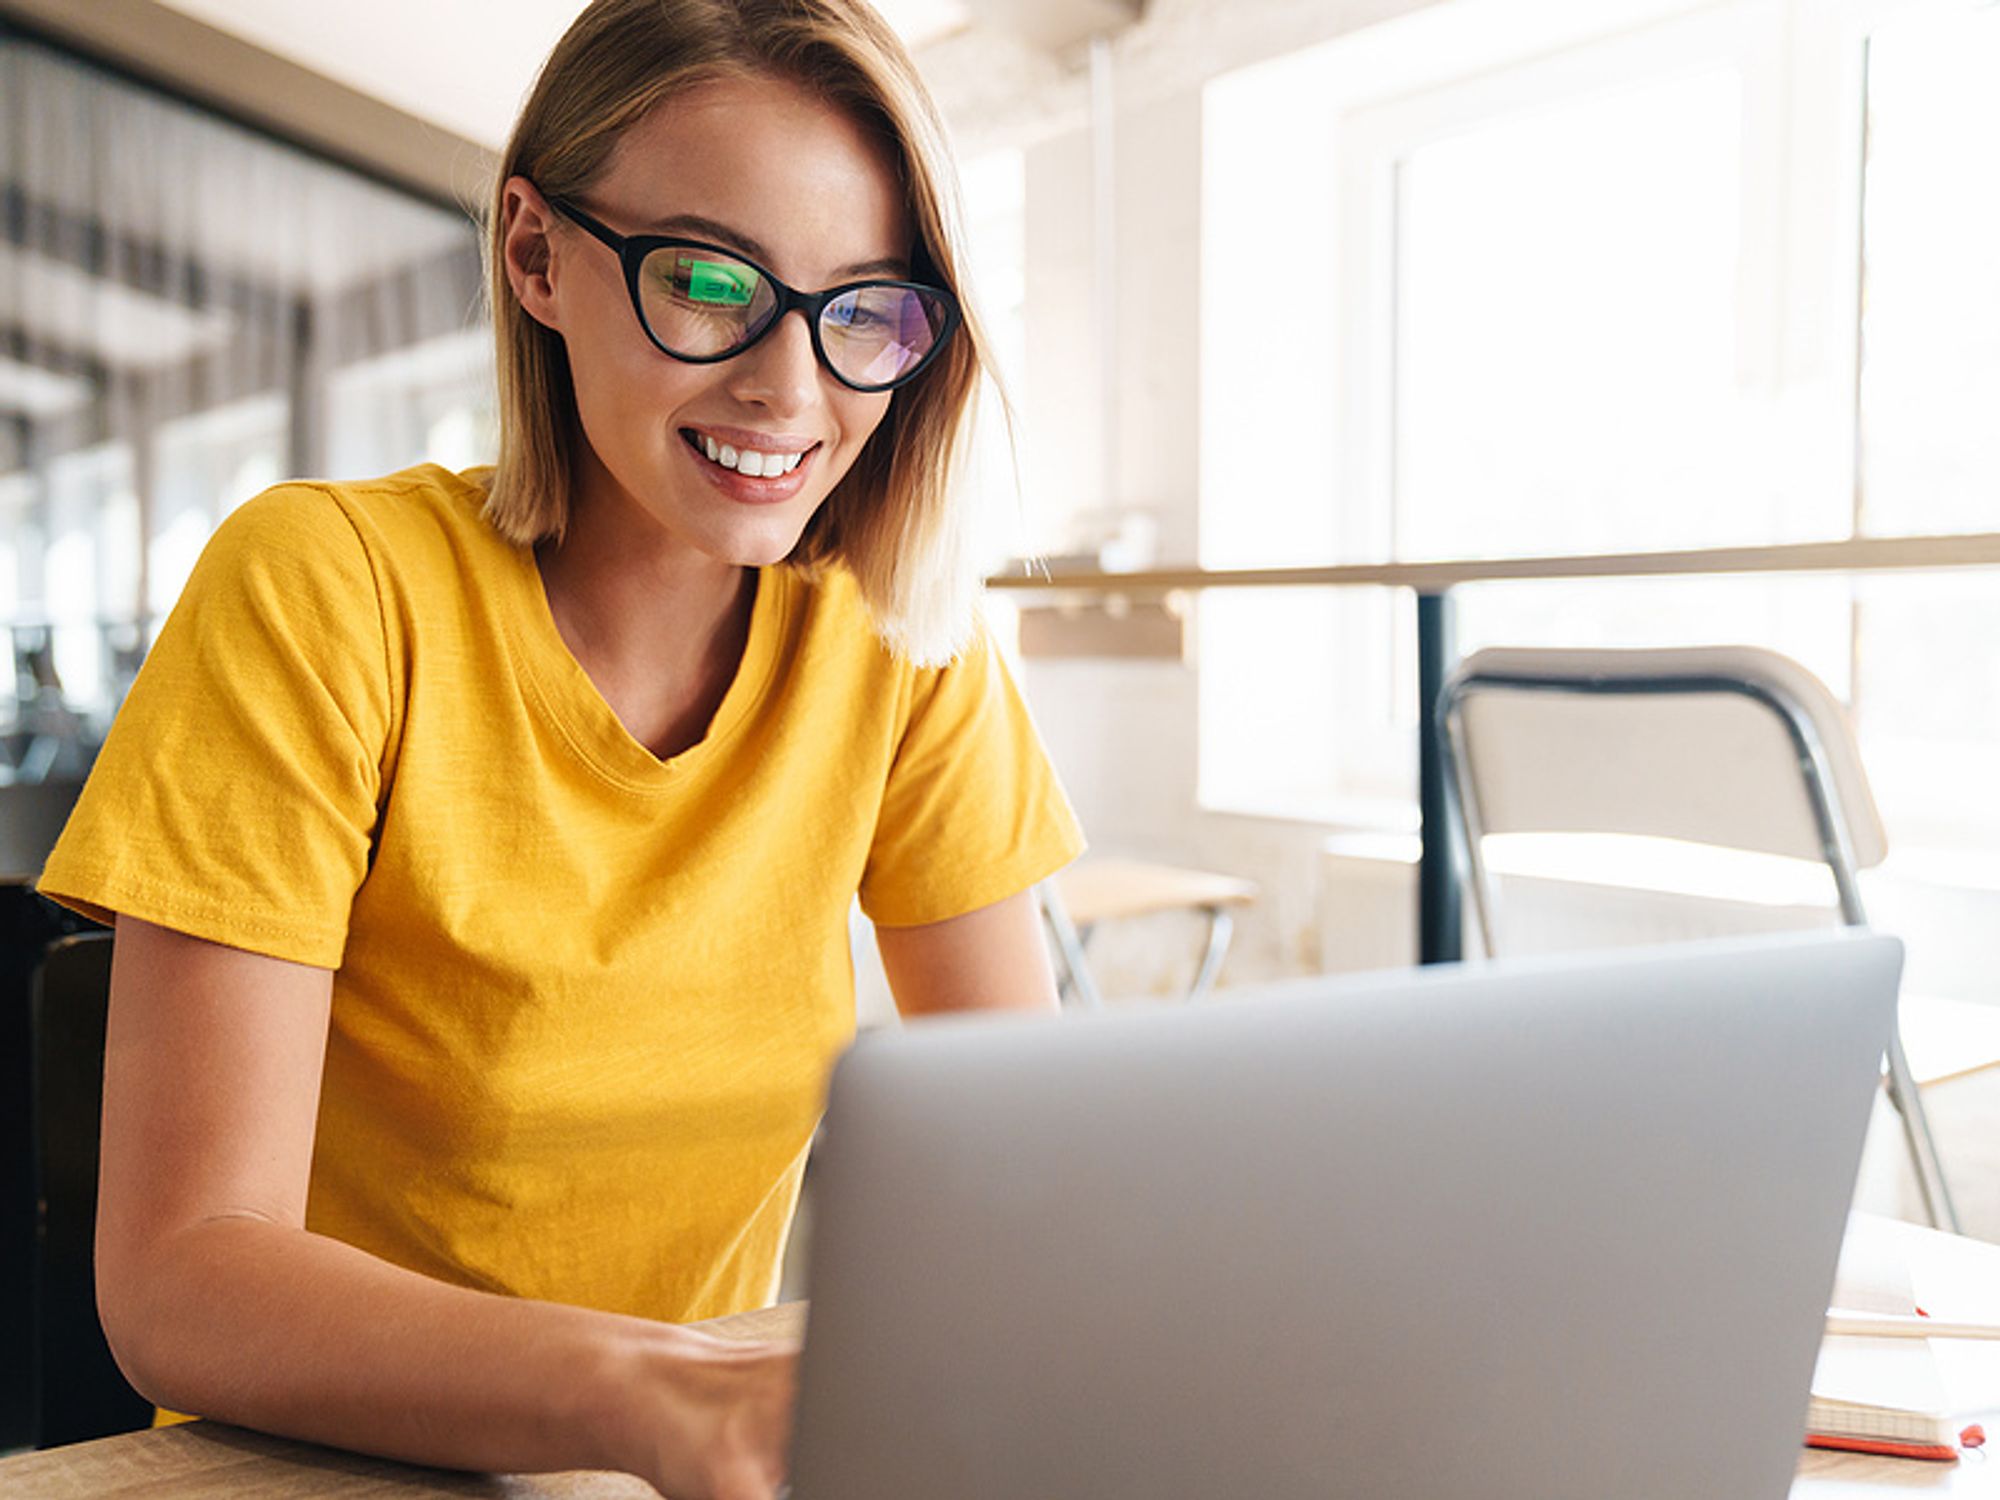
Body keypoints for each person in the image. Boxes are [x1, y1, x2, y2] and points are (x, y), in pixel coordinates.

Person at [36, 2, 1082, 1495]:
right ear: (534, 253)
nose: (791, 391)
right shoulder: (326, 589)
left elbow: (1037, 1177)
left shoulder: (898, 640)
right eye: (712, 282)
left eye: (865, 309)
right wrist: (656, 1398)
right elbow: (182, 1279)